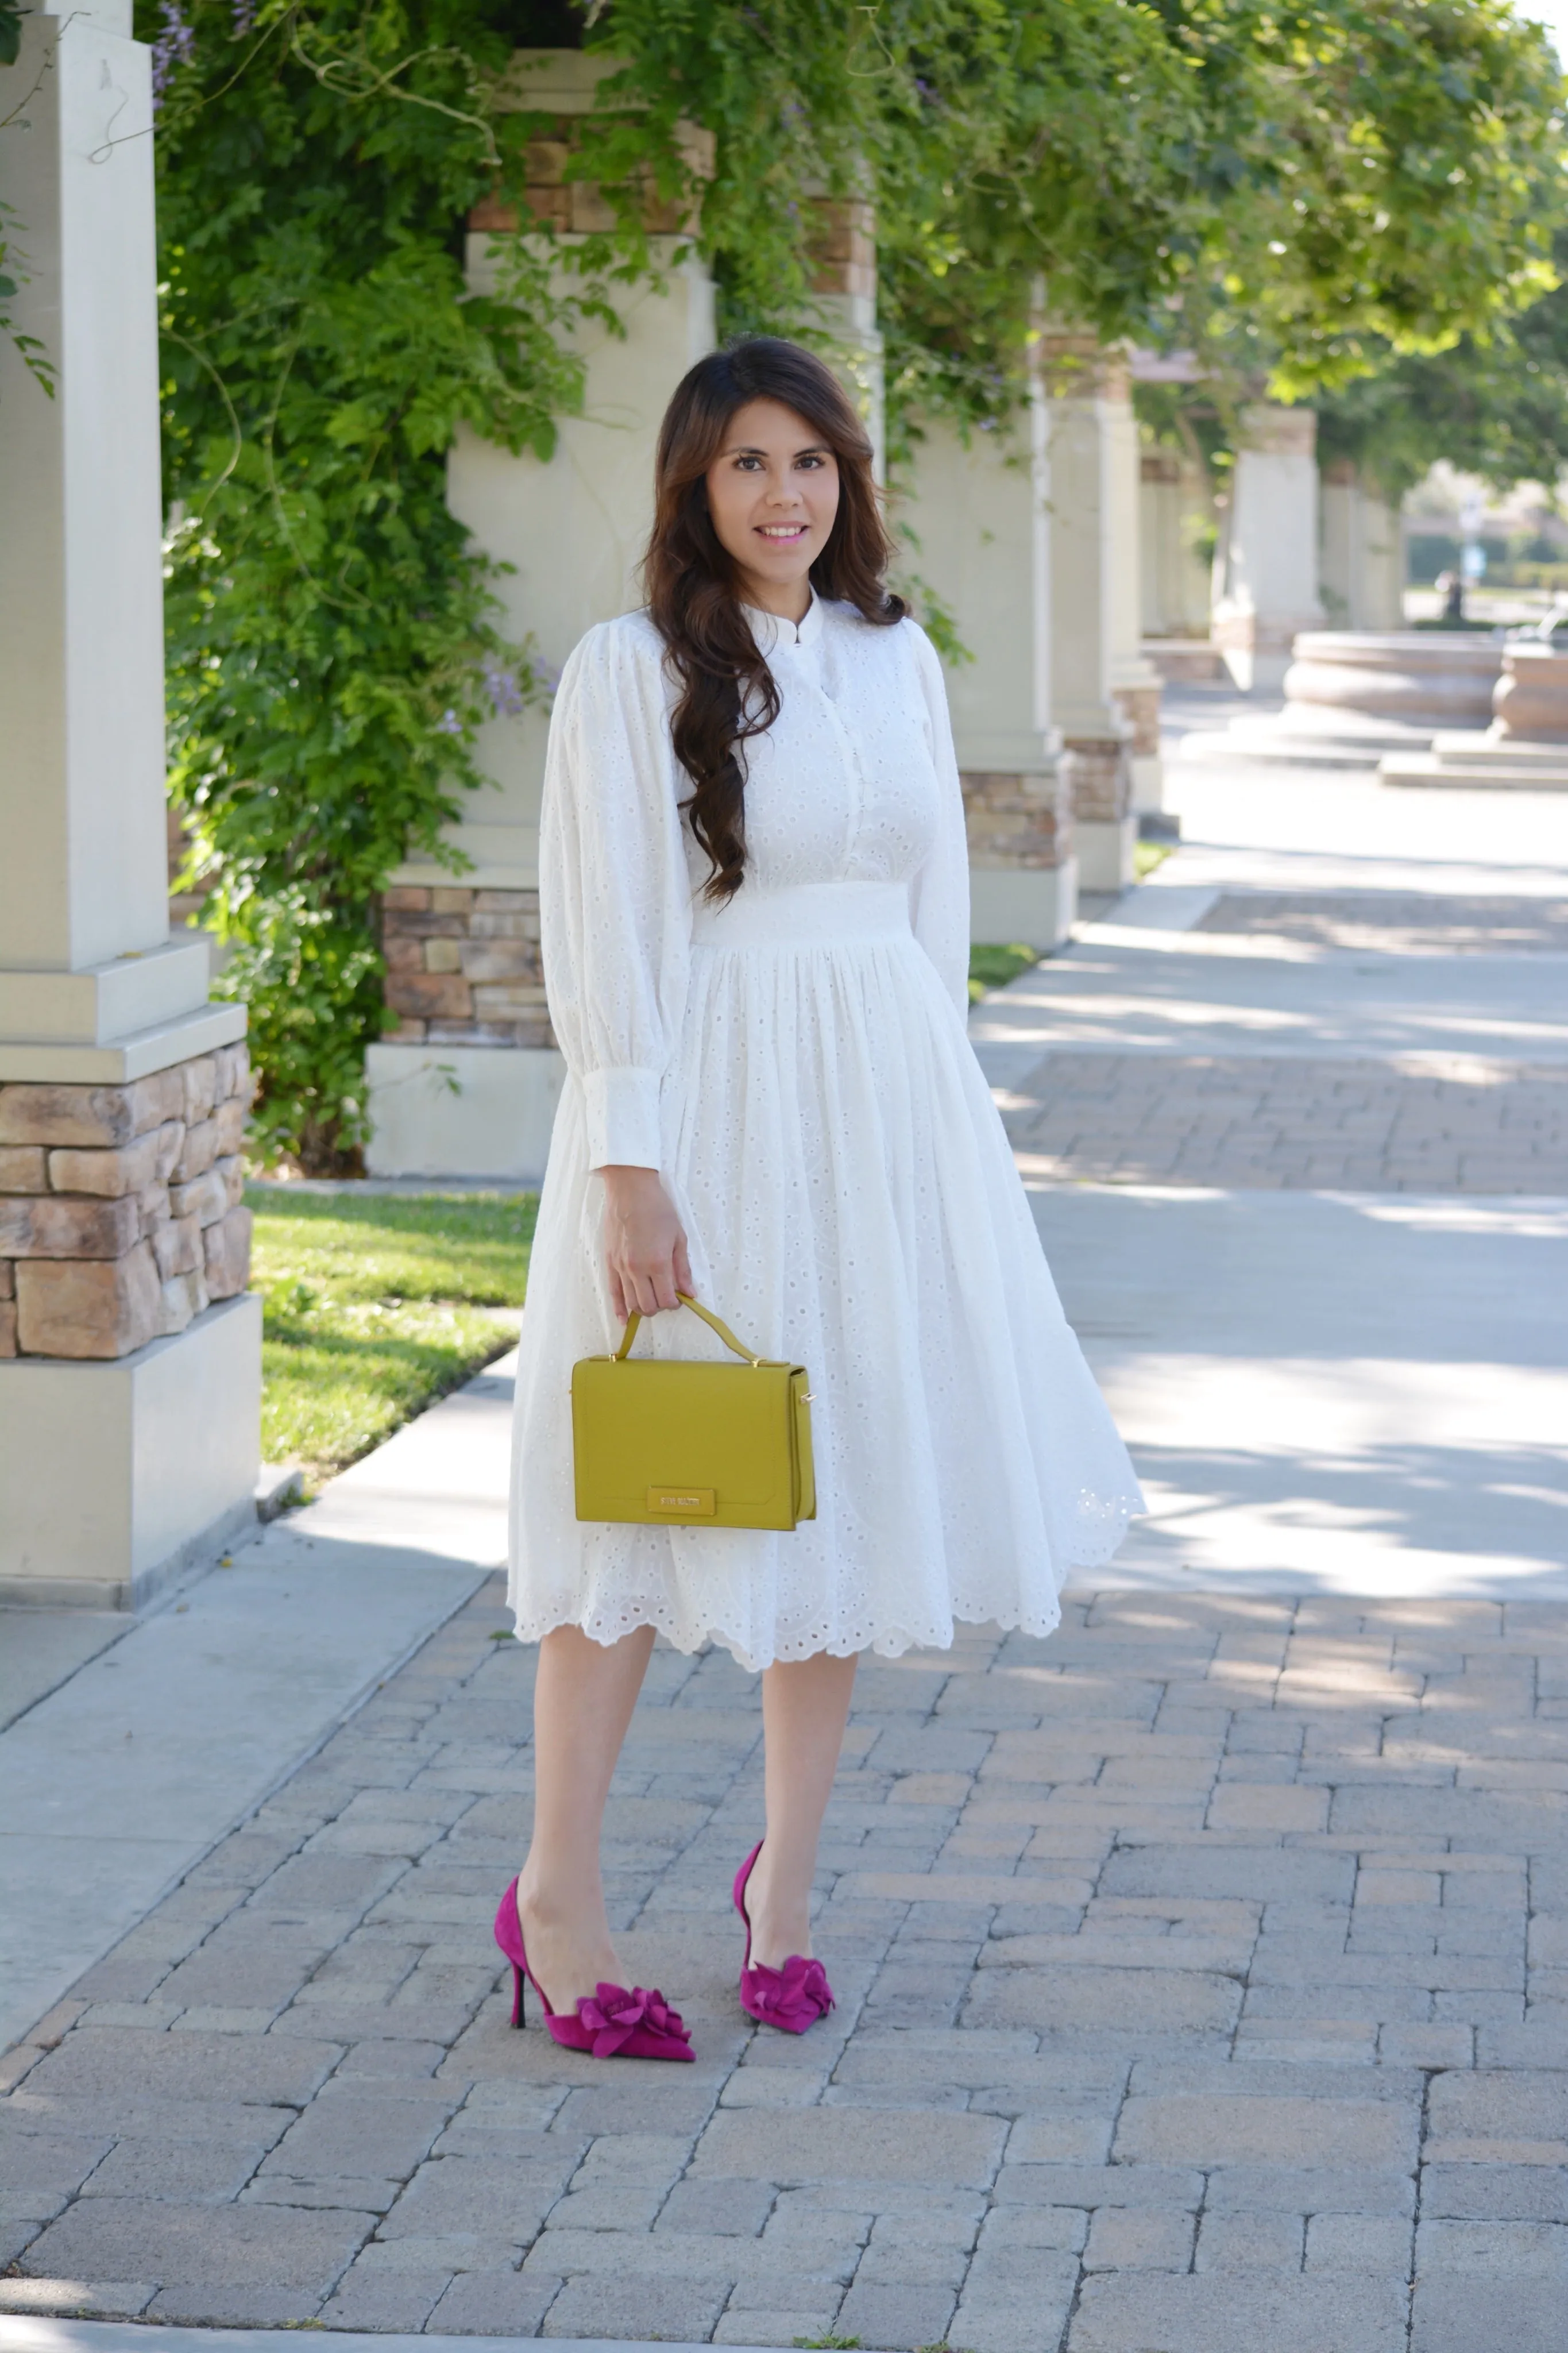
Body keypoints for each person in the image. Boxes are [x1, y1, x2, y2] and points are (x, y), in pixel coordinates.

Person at [496, 336, 1142, 2061]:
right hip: (704, 1114)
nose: (787, 496)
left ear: (847, 481)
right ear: (694, 492)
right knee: (638, 1503)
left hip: (881, 1118)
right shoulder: (628, 671)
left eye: (812, 462)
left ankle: (783, 1889)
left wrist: (946, 1140)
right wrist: (632, 1170)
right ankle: (558, 1893)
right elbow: (609, 934)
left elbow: (929, 921)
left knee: (837, 1482)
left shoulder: (896, 655)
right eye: (747, 467)